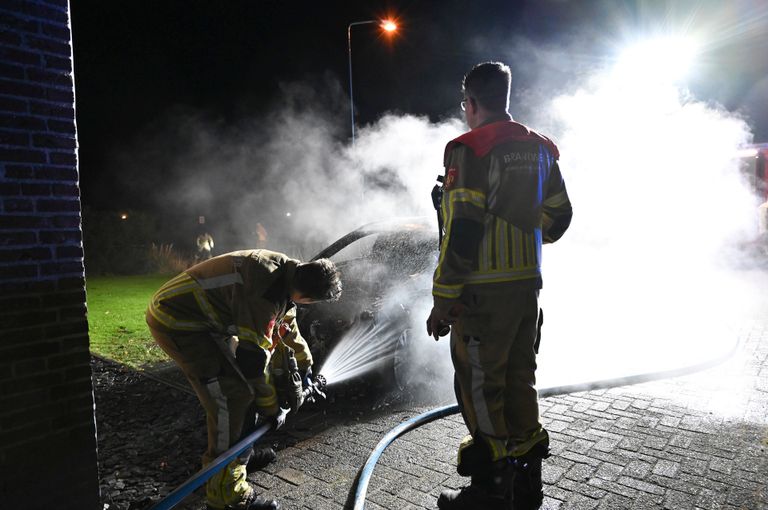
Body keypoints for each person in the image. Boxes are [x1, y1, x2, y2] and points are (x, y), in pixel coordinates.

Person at [426, 62, 572, 510]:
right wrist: (525, 237)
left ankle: (491, 491)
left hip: (482, 294)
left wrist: (444, 300)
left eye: (464, 104)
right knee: (518, 379)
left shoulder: (469, 148)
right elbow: (559, 217)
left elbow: (465, 229)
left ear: (470, 102)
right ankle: (528, 485)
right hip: (526, 288)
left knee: (480, 387)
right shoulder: (542, 148)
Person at [146, 250, 341, 510]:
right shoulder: (265, 294)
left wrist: (305, 366)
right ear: (306, 297)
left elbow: (286, 327)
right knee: (233, 397)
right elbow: (253, 363)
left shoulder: (286, 274)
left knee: (245, 392)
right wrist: (272, 410)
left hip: (204, 323)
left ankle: (241, 454)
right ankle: (227, 494)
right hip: (177, 322)